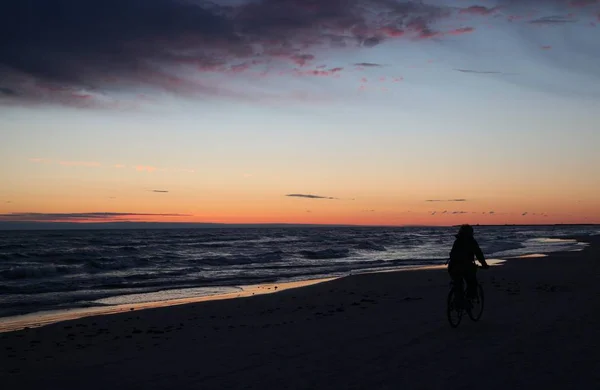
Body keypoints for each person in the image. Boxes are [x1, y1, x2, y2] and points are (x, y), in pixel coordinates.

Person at [448, 224, 489, 308]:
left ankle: (457, 301)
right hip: (466, 267)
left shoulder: (457, 241)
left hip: (452, 266)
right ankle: (468, 301)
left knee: (458, 284)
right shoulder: (471, 241)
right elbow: (479, 254)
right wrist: (484, 264)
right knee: (472, 283)